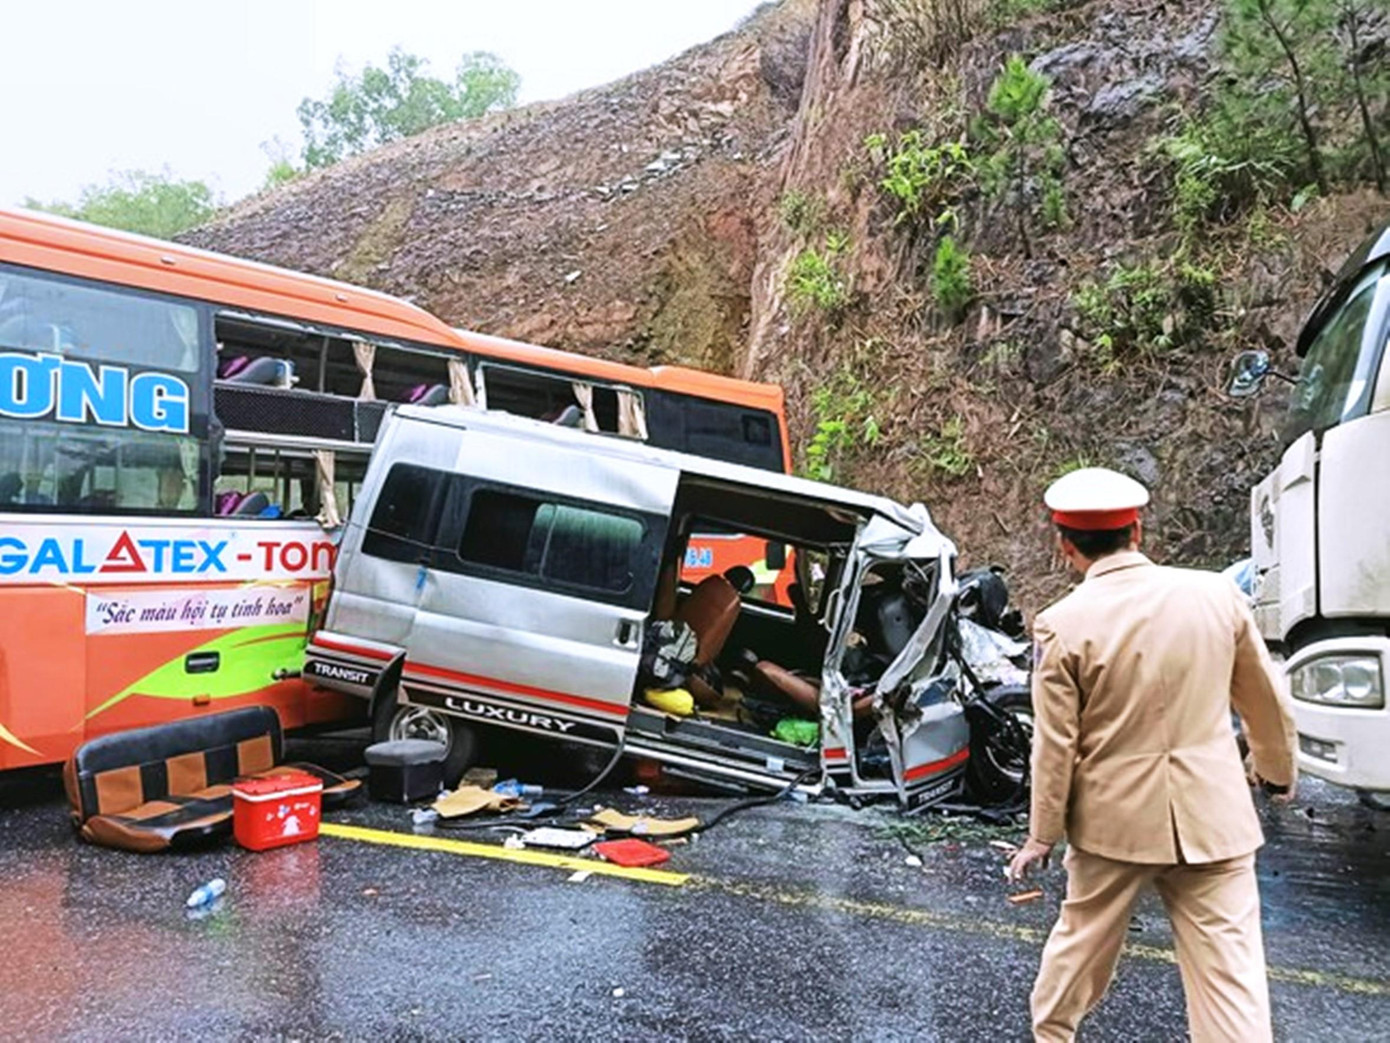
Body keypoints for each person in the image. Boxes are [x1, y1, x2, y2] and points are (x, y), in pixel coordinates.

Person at [1007, 467, 1296, 1042]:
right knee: (1230, 981)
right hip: (1215, 820)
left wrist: (1043, 834)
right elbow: (1265, 702)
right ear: (1137, 531)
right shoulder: (1217, 595)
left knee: (1079, 951)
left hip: (1113, 829)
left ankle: (1053, 1036)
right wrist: (1275, 772)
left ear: (1065, 547)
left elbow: (1055, 746)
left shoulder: (1061, 625)